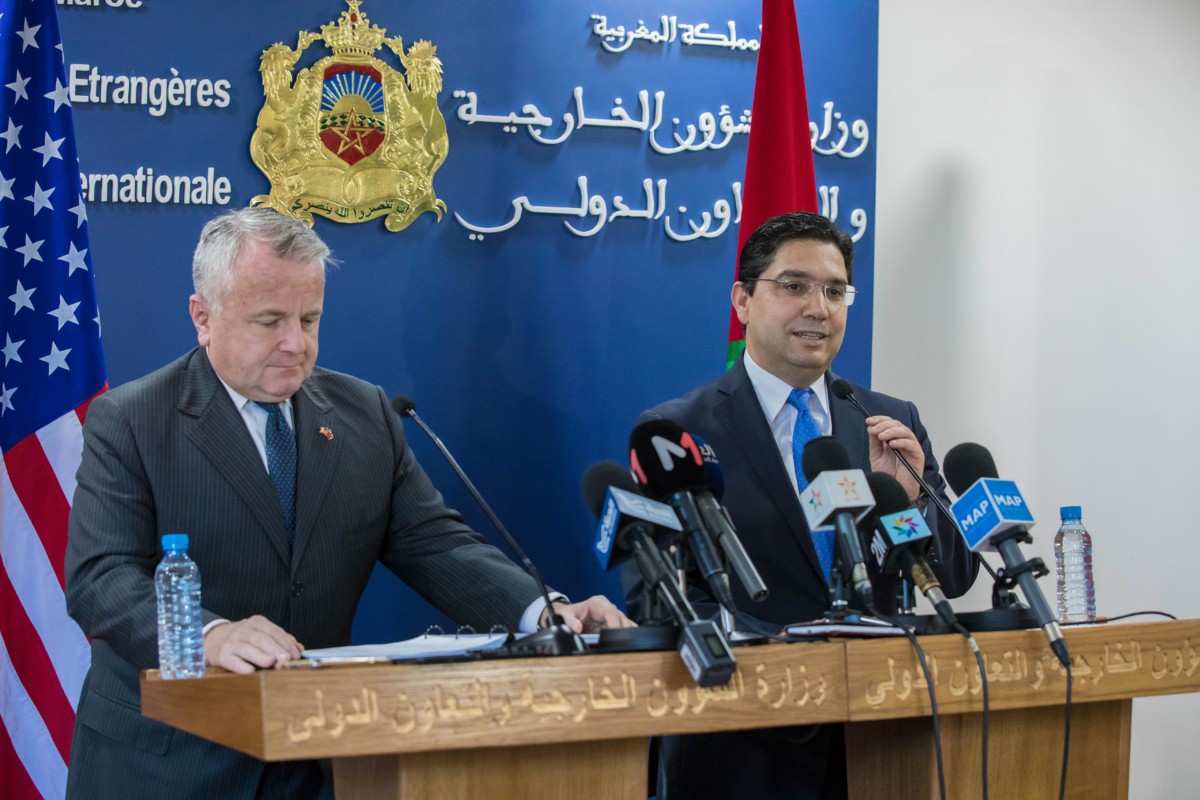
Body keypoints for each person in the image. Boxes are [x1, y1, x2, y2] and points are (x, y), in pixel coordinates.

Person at [63, 208, 631, 799]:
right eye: (269, 321)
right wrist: (210, 636)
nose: (295, 344)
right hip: (165, 765)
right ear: (203, 318)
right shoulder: (132, 419)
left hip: (312, 761)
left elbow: (435, 544)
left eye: (310, 319)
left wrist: (543, 612)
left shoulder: (366, 414)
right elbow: (100, 579)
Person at [630, 211, 977, 800]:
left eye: (834, 291)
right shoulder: (676, 429)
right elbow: (656, 597)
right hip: (743, 747)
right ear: (742, 300)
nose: (818, 307)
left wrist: (909, 500)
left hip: (881, 740)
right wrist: (789, 660)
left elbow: (955, 574)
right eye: (793, 286)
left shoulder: (887, 419)